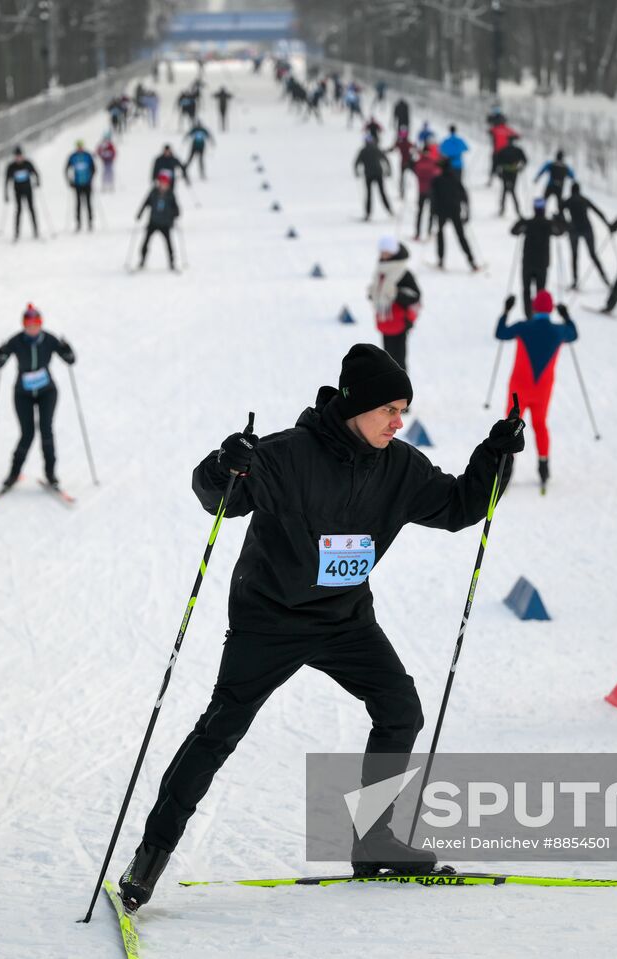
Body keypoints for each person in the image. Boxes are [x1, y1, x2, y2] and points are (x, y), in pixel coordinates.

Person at [115, 344, 527, 912]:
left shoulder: (399, 466)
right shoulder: (286, 454)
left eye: (403, 409)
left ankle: (374, 838)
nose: (399, 421)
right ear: (357, 406)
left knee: (399, 707)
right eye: (390, 409)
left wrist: (494, 455)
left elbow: (459, 506)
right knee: (219, 730)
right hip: (269, 620)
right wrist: (222, 463)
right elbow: (219, 498)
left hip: (344, 620)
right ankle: (150, 856)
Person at [494, 291, 578, 491]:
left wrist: (506, 310)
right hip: (542, 390)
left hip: (518, 389)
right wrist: (566, 316)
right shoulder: (559, 331)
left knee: (512, 426)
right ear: (551, 309)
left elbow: (500, 333)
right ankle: (543, 468)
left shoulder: (524, 327)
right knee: (540, 425)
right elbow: (574, 334)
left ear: (534, 308)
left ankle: (506, 469)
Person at [0, 305, 77, 491]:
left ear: (41, 324)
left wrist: (68, 350)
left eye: (36, 324)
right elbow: (0, 361)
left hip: (47, 392)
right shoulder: (16, 341)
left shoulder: (49, 339)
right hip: (23, 394)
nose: (32, 329)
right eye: (29, 325)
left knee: (46, 430)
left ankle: (51, 475)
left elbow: (70, 359)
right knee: (27, 433)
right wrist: (0, 356)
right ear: (24, 325)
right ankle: (13, 474)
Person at [368, 235, 421, 370]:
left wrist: (396, 293)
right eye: (382, 252)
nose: (384, 255)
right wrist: (372, 293)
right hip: (385, 320)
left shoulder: (402, 271)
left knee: (399, 357)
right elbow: (378, 290)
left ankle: (402, 386)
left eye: (387, 252)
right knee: (387, 357)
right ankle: (390, 384)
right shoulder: (381, 269)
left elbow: (415, 296)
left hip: (400, 322)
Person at [511, 198, 566, 317]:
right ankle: (538, 317)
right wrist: (559, 219)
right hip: (542, 264)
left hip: (527, 263)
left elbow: (514, 231)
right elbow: (560, 232)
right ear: (544, 209)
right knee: (540, 292)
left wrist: (520, 221)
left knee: (526, 291)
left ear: (534, 209)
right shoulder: (548, 224)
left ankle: (528, 316)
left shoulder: (528, 223)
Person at [429, 156, 478, 271]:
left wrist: (433, 213)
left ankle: (440, 261)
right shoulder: (455, 178)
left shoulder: (436, 180)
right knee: (461, 237)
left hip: (441, 212)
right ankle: (472, 261)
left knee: (440, 235)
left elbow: (433, 198)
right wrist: (467, 211)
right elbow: (464, 195)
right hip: (455, 211)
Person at [562, 183, 612, 289]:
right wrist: (608, 224)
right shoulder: (584, 199)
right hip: (587, 229)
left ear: (571, 190)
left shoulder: (569, 200)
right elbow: (598, 211)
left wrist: (565, 224)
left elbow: (559, 211)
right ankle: (605, 279)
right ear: (579, 190)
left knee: (574, 255)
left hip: (574, 230)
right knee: (593, 255)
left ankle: (575, 281)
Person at [135, 171, 181, 271]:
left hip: (165, 224)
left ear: (168, 184)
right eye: (161, 182)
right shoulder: (153, 192)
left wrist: (175, 214)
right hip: (153, 222)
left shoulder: (170, 194)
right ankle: (142, 261)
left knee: (169, 244)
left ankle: (172, 263)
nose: (162, 185)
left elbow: (176, 208)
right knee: (145, 242)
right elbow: (145, 203)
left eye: (164, 183)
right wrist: (140, 213)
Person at [3, 147, 41, 241]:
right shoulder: (11, 166)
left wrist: (37, 182)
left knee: (31, 209)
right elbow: (7, 180)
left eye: (20, 156)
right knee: (18, 210)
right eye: (17, 156)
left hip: (28, 190)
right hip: (18, 191)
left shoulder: (27, 164)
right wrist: (6, 194)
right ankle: (16, 232)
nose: (18, 158)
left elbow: (36, 173)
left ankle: (36, 230)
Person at [354, 135, 394, 221]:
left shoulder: (363, 151)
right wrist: (388, 170)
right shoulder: (376, 149)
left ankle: (368, 214)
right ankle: (390, 211)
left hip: (369, 175)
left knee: (369, 195)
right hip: (378, 173)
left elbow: (356, 162)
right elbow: (385, 159)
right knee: (382, 193)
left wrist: (356, 172)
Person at [65, 140, 97, 231]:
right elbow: (66, 169)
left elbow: (94, 168)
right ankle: (78, 223)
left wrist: (91, 178)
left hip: (87, 183)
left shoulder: (88, 155)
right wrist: (70, 181)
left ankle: (90, 222)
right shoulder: (73, 156)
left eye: (81, 146)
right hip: (77, 184)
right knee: (78, 204)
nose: (79, 148)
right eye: (78, 146)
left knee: (88, 203)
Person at [492, 135, 527, 218]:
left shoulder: (503, 150)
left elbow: (496, 162)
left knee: (504, 190)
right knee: (512, 190)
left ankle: (502, 209)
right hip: (514, 172)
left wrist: (497, 172)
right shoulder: (518, 150)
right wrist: (521, 168)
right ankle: (517, 210)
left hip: (505, 172)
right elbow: (525, 160)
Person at [411, 145, 441, 241]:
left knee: (420, 212)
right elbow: (438, 173)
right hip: (431, 191)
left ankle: (417, 233)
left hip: (421, 190)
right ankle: (429, 231)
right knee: (431, 212)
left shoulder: (418, 163)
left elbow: (415, 171)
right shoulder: (434, 162)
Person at [391, 128, 417, 200]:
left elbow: (392, 149)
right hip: (410, 162)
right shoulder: (408, 143)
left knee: (402, 178)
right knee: (416, 175)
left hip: (403, 163)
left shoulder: (400, 143)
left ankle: (402, 194)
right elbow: (415, 147)